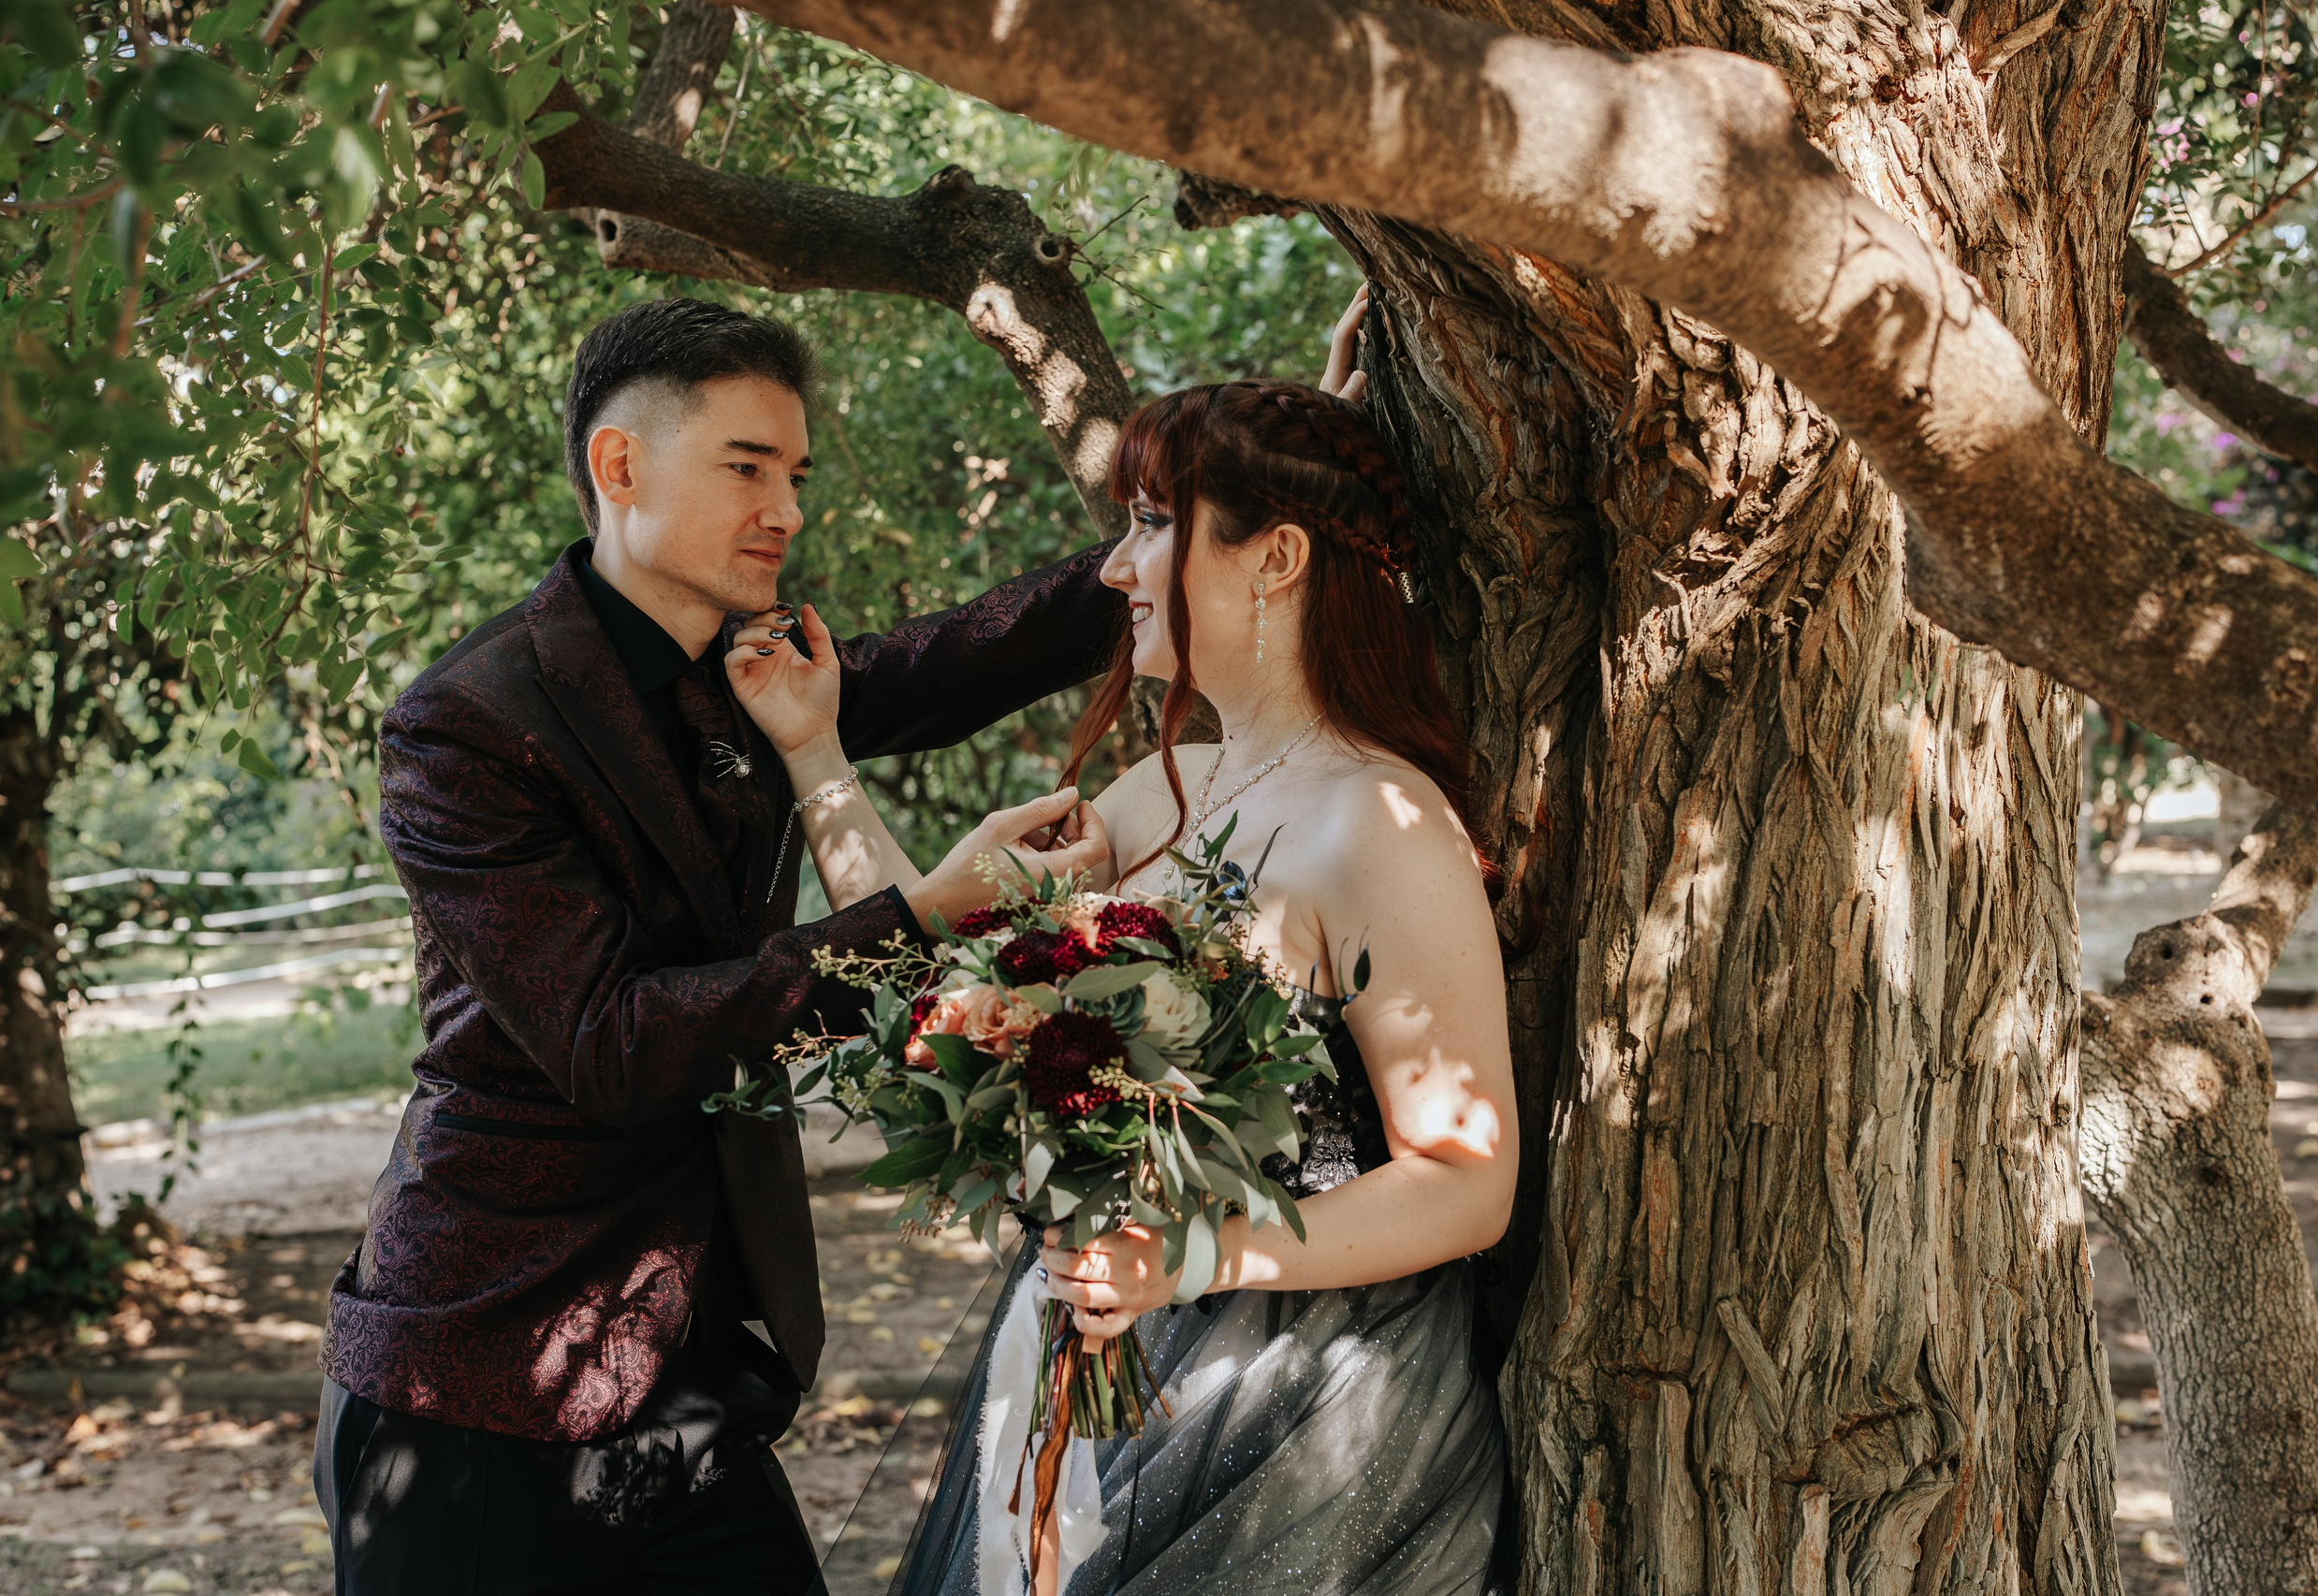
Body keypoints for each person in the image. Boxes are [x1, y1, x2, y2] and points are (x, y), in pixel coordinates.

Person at [313, 297, 1117, 1594]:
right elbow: (613, 1040)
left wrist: (1204, 516)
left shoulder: (747, 670)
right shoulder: (466, 724)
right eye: (747, 467)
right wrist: (924, 913)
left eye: (796, 475)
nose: (786, 510)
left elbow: (963, 656)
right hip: (478, 1382)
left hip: (684, 1378)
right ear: (619, 466)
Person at [767, 289, 1518, 1594]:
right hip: (1098, 1345)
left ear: (1277, 559)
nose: (1116, 568)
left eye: (1154, 524)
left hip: (1290, 1403)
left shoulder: (1384, 822)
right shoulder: (1156, 795)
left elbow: (1467, 1178)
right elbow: (925, 991)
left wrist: (1190, 1256)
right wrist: (813, 750)